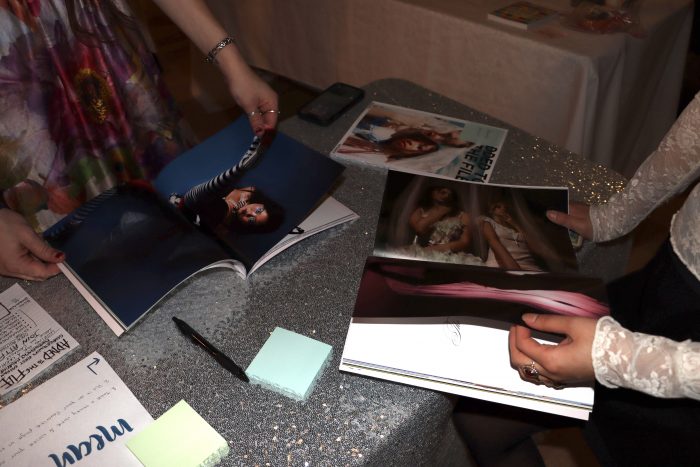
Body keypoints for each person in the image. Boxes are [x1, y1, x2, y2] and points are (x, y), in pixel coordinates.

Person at [455, 91, 700, 466]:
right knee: (483, 417)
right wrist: (614, 215)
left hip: (684, 379)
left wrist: (613, 357)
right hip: (670, 286)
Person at [0, 0, 279, 281]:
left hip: (103, 54)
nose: (249, 211)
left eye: (250, 216)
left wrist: (233, 65)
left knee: (179, 242)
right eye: (256, 210)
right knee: (84, 265)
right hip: (19, 95)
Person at [480, 199, 542, 271]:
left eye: (505, 207)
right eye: (498, 207)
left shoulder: (513, 226)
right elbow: (493, 241)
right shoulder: (488, 221)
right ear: (492, 209)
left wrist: (514, 223)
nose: (503, 208)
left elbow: (532, 245)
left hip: (529, 265)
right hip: (506, 265)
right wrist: (515, 269)